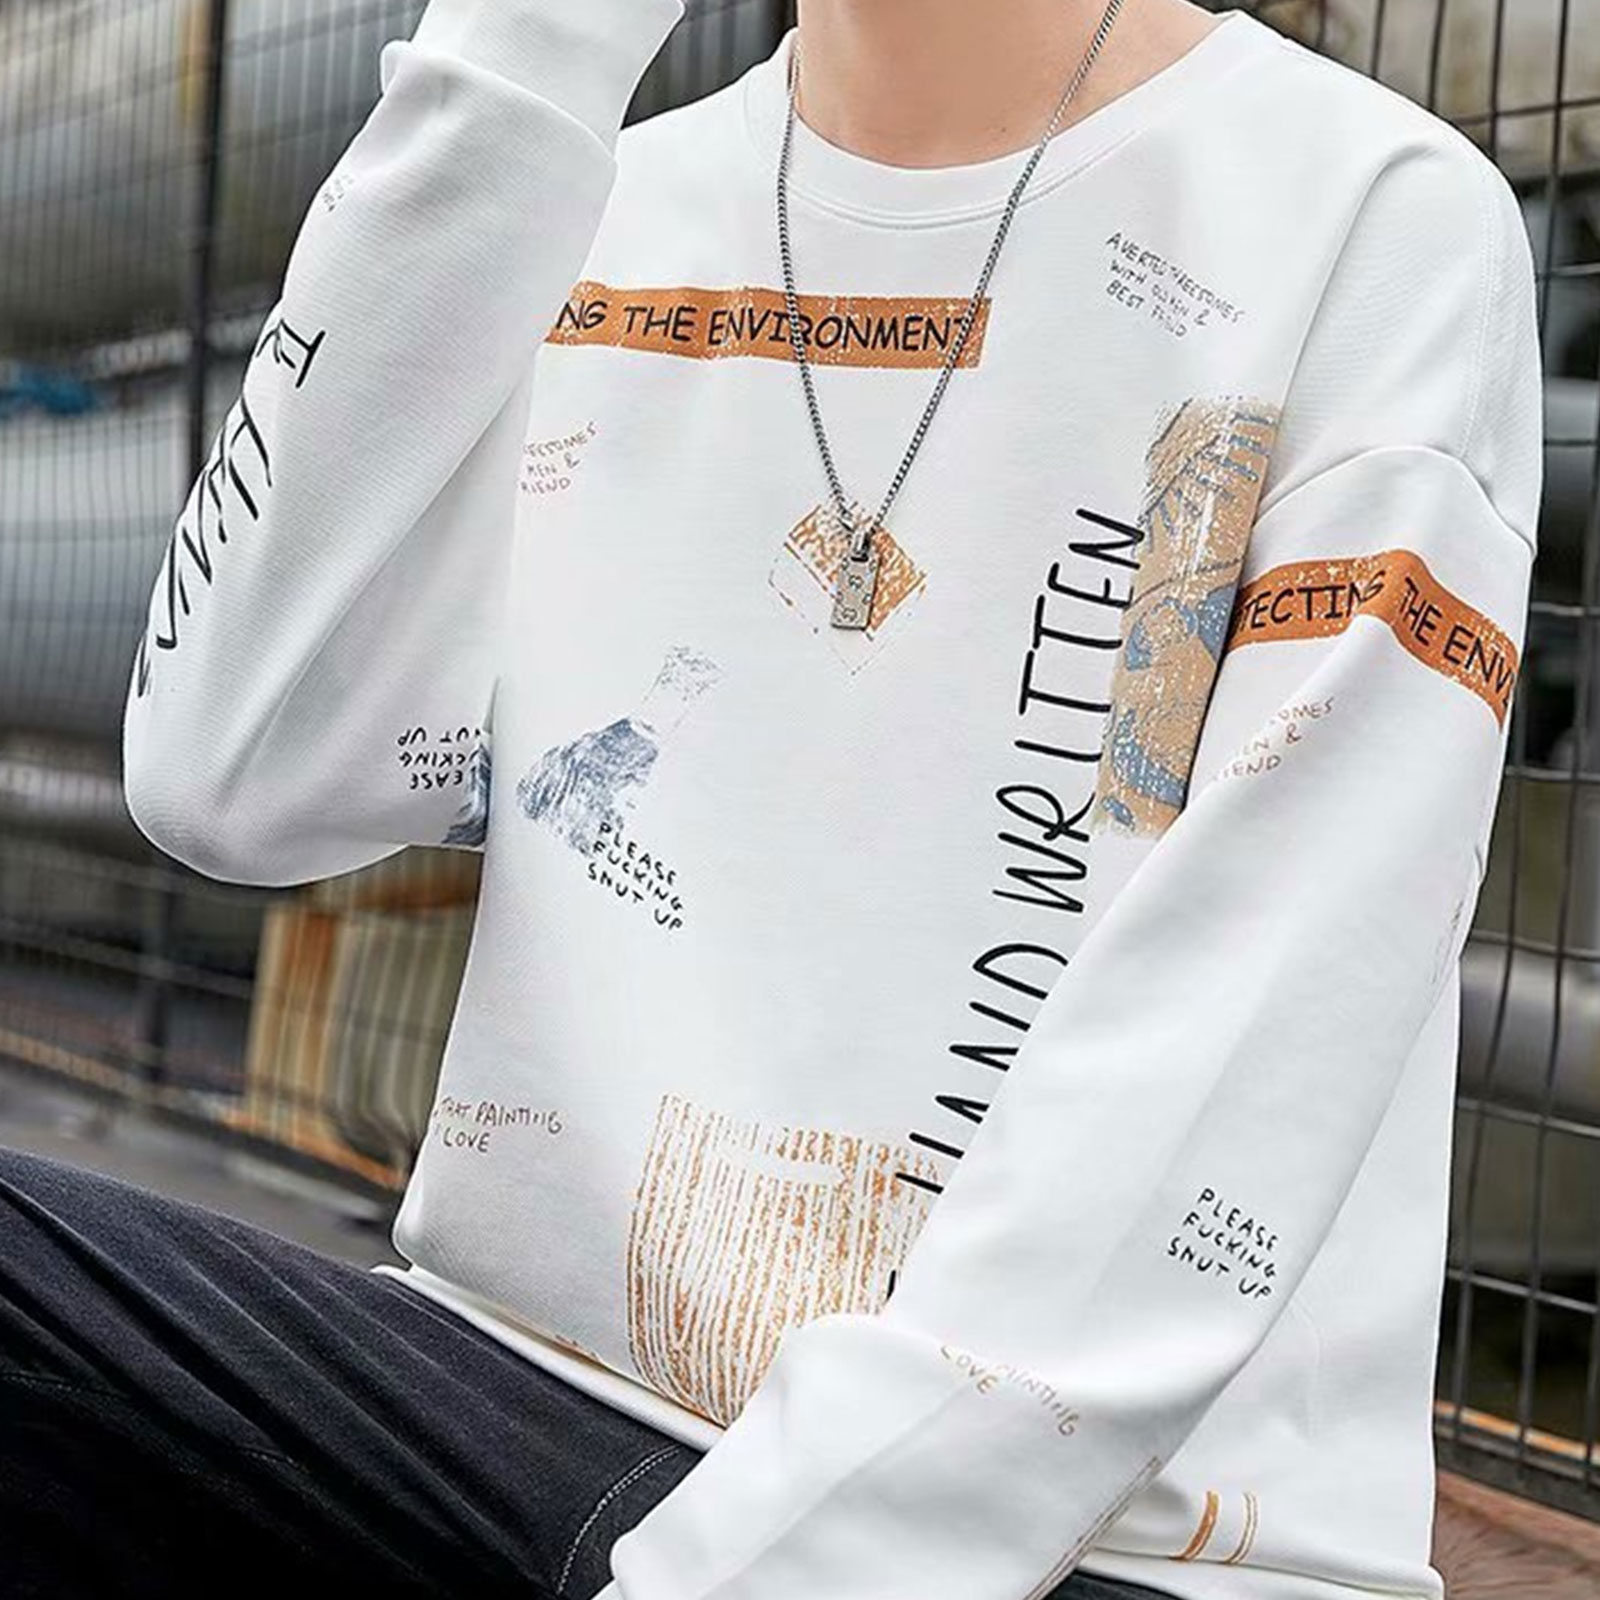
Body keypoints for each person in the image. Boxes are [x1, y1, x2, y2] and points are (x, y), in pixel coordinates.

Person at [1, 0, 1542, 1596]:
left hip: (1088, 1547)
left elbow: (1256, 1015)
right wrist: (518, 57)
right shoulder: (584, 196)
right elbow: (234, 776)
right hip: (513, 1395)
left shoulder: (1363, 211)